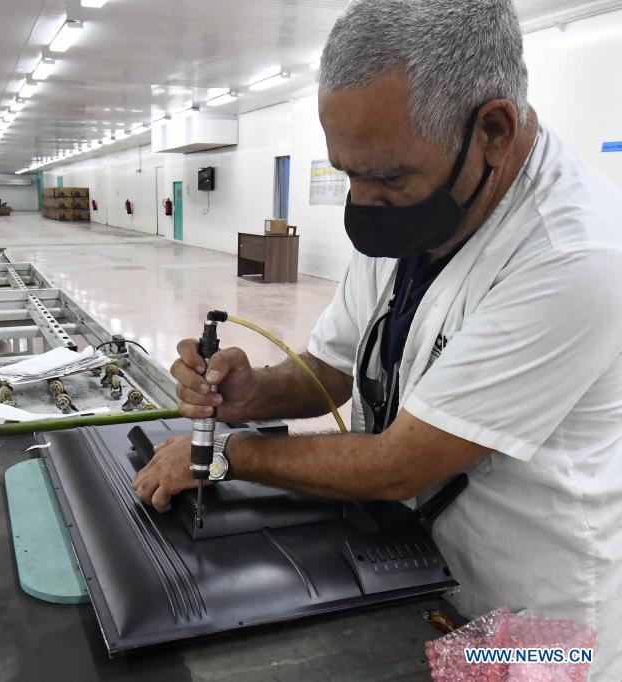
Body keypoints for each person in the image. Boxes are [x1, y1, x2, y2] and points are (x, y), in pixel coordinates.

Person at [132, 0, 622, 675]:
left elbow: (398, 465)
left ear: (492, 130)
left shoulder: (576, 255)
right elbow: (334, 366)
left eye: (386, 176)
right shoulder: (409, 210)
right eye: (346, 172)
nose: (362, 199)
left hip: (534, 608)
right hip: (415, 569)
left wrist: (220, 456)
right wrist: (252, 394)